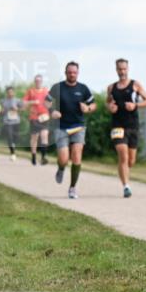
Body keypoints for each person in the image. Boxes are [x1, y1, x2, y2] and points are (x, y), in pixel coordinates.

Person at [46, 62, 96, 198]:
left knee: (76, 155)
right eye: (70, 72)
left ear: (77, 73)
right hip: (61, 127)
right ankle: (61, 168)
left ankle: (72, 188)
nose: (72, 74)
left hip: (78, 127)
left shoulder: (83, 88)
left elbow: (93, 104)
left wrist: (88, 108)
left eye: (74, 72)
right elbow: (47, 101)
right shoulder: (58, 87)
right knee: (63, 158)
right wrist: (52, 111)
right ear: (65, 72)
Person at [106, 58, 146, 198]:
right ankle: (126, 186)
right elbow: (108, 103)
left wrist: (135, 106)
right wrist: (110, 107)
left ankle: (123, 170)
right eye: (120, 69)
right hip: (117, 125)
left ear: (128, 69)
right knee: (122, 154)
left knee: (131, 161)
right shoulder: (111, 88)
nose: (122, 71)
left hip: (132, 125)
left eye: (124, 69)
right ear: (116, 70)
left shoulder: (135, 85)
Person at [24, 74, 51, 165]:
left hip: (44, 117)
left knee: (44, 137)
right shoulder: (30, 91)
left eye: (39, 81)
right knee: (34, 138)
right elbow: (24, 102)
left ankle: (43, 158)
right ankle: (33, 156)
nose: (38, 82)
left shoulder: (46, 91)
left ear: (42, 81)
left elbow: (50, 103)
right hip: (34, 117)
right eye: (36, 81)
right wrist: (32, 102)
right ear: (34, 82)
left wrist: (49, 106)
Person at [0, 86, 24, 161]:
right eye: (8, 92)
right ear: (6, 93)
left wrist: (17, 109)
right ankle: (12, 153)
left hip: (16, 121)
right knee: (9, 136)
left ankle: (13, 145)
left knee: (15, 138)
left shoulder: (18, 100)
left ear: (13, 92)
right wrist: (2, 111)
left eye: (11, 92)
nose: (10, 93)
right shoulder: (3, 101)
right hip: (7, 121)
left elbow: (23, 109)